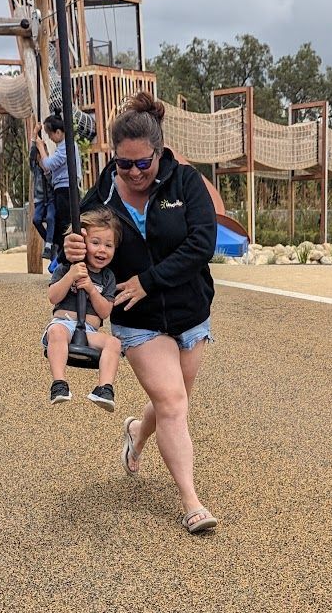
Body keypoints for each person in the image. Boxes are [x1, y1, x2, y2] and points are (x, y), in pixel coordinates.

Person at [63, 92, 219, 534]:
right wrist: (71, 245)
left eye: (142, 163)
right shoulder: (104, 193)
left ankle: (136, 431)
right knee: (172, 402)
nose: (133, 173)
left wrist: (149, 279)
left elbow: (201, 245)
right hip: (138, 320)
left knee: (174, 400)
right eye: (122, 164)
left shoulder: (186, 182)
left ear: (159, 151)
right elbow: (79, 242)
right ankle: (191, 503)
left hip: (191, 313)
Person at [43, 208, 122, 411]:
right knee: (57, 332)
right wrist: (70, 276)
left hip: (89, 332)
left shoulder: (108, 278)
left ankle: (104, 388)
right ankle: (59, 383)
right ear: (83, 242)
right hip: (64, 325)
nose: (102, 250)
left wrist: (90, 289)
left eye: (109, 245)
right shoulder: (66, 267)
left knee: (113, 343)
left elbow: (105, 312)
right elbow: (53, 297)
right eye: (95, 243)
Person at [33, 113, 72, 271]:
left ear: (58, 132)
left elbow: (48, 164)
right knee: (57, 222)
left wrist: (41, 148)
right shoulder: (61, 148)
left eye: (50, 135)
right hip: (59, 189)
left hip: (65, 189)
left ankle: (60, 256)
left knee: (63, 223)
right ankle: (56, 250)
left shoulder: (67, 147)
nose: (49, 138)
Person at [29, 128, 56, 259]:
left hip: (50, 199)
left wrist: (47, 173)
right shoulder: (35, 169)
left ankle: (49, 245)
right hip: (40, 199)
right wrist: (34, 136)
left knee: (51, 217)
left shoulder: (50, 167)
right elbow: (31, 154)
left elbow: (52, 182)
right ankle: (49, 241)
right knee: (36, 220)